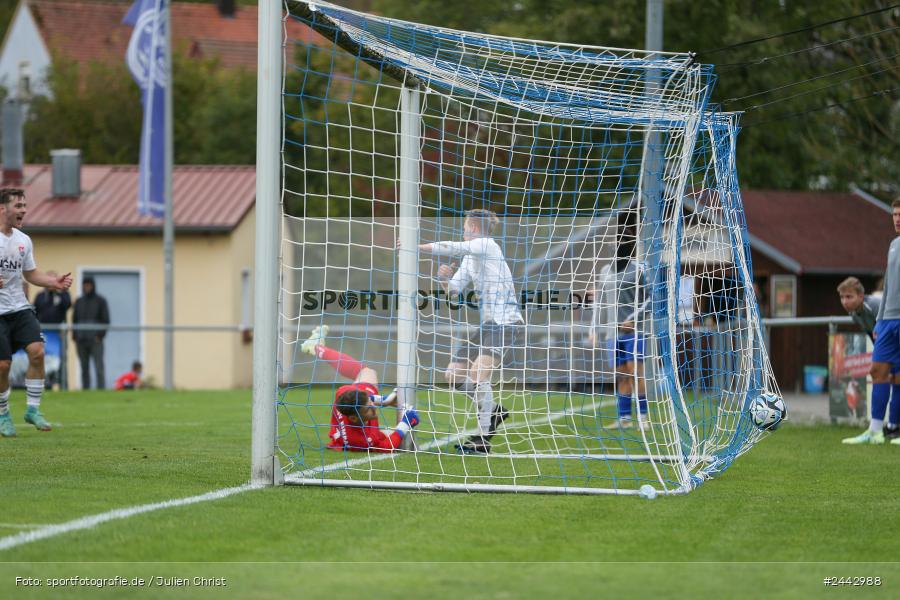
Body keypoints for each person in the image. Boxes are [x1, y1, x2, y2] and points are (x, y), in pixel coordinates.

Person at [413, 208, 522, 454]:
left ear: (472, 227)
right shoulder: (471, 257)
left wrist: (416, 247)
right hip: (487, 325)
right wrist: (444, 278)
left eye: (464, 227)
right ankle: (494, 411)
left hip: (506, 323)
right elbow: (453, 292)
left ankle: (483, 437)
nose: (462, 231)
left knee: (477, 376)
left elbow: (450, 246)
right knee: (453, 375)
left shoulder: (487, 245)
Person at [0, 188, 72, 437]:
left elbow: (30, 274)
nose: (23, 210)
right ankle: (3, 414)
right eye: (18, 206)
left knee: (38, 352)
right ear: (2, 209)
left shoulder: (23, 240)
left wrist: (53, 281)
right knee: (2, 365)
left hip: (19, 307)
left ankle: (32, 410)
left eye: (24, 205)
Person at [302, 325, 419, 452]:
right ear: (353, 418)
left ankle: (316, 347)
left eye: (371, 403)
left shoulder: (344, 394)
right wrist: (405, 423)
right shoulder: (362, 440)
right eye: (369, 408)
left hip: (353, 431)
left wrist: (384, 400)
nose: (374, 407)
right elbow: (386, 447)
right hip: (355, 437)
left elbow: (362, 396)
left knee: (367, 373)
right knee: (367, 372)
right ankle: (316, 347)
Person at [843, 200, 900, 445]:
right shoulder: (894, 245)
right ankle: (875, 431)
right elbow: (888, 284)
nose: (897, 219)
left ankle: (895, 427)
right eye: (895, 214)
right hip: (887, 319)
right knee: (878, 371)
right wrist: (879, 320)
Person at [589, 248, 648, 429]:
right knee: (622, 376)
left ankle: (643, 418)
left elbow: (649, 300)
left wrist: (632, 320)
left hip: (633, 333)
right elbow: (600, 302)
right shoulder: (605, 271)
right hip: (611, 334)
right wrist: (593, 329)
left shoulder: (638, 269)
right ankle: (624, 419)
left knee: (635, 373)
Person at [72, 276, 110, 389]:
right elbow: (75, 320)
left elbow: (106, 320)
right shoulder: (79, 302)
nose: (86, 287)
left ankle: (101, 389)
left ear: (93, 286)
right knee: (84, 368)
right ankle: (85, 389)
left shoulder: (101, 301)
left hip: (95, 340)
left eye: (89, 285)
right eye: (85, 285)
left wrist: (100, 335)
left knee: (99, 367)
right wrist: (75, 335)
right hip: (81, 340)